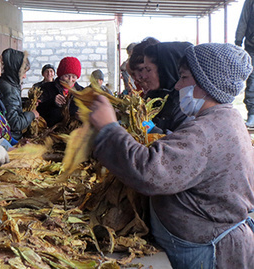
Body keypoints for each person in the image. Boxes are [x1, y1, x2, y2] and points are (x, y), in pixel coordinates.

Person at [88, 42, 254, 269]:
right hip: (204, 242)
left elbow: (148, 171)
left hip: (204, 252)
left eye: (184, 78)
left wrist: (109, 128)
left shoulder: (206, 131)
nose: (177, 86)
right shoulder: (226, 120)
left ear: (205, 85)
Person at [140, 42, 190, 134]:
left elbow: (182, 145)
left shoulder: (186, 104)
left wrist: (155, 132)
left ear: (166, 70)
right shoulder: (152, 97)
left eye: (148, 70)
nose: (143, 76)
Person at [0, 48, 39, 140]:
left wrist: (26, 102)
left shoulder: (5, 82)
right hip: (12, 138)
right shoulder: (9, 90)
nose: (24, 76)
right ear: (15, 70)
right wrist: (32, 114)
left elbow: (9, 105)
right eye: (24, 72)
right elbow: (15, 123)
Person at [37, 56, 84, 127]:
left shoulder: (82, 92)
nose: (70, 79)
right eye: (67, 76)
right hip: (50, 131)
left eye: (74, 77)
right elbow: (38, 110)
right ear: (60, 75)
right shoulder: (46, 88)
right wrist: (52, 102)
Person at [235, 0, 254, 127]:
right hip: (252, 46)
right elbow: (244, 18)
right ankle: (252, 114)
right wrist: (238, 40)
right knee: (252, 79)